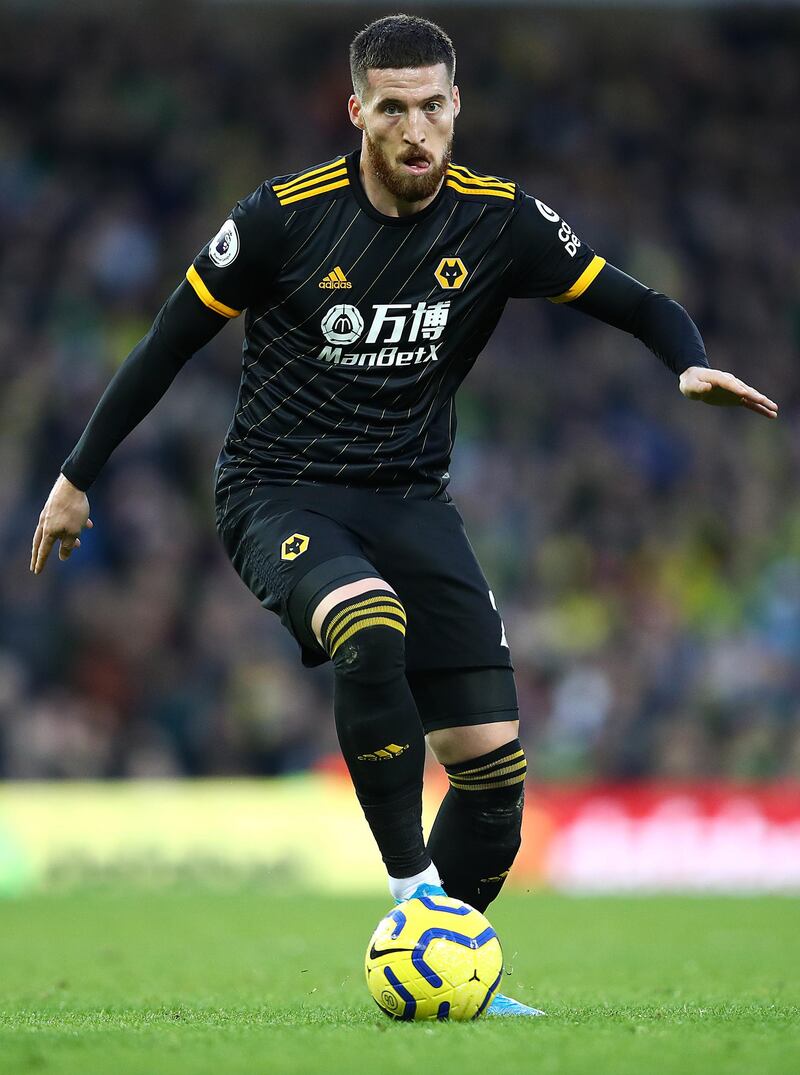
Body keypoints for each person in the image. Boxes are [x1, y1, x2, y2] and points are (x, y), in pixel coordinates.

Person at [30, 13, 777, 1016]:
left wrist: (683, 357)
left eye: (433, 106)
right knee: (366, 622)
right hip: (278, 491)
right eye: (392, 108)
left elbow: (634, 299)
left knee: (495, 783)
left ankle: (443, 964)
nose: (416, 128)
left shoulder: (497, 219)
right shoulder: (282, 219)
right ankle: (412, 902)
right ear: (357, 113)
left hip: (411, 502)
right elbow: (165, 343)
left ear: (456, 106)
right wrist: (78, 476)